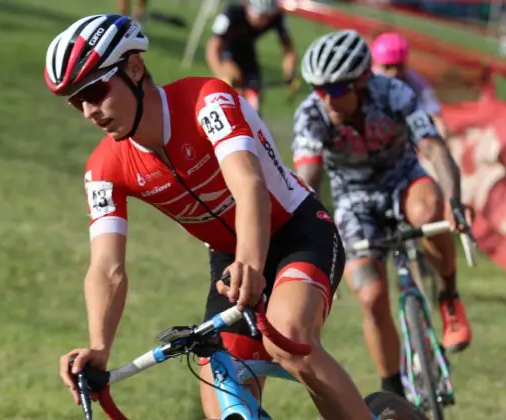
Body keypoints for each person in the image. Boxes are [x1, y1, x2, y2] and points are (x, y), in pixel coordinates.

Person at [46, 14, 372, 420]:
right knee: (222, 396)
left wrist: (252, 264)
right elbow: (107, 267)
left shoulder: (206, 99)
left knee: (288, 340)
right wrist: (98, 346)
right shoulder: (103, 167)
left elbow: (248, 184)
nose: (89, 111)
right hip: (228, 260)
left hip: (296, 231)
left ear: (134, 68)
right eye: (77, 100)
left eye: (95, 90)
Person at [292, 29, 473, 399]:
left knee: (429, 210)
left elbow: (435, 150)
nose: (326, 99)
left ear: (361, 80)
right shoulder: (312, 114)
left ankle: (449, 297)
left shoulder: (395, 94)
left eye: (336, 90)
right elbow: (307, 179)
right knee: (372, 297)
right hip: (353, 198)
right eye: (318, 89)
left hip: (402, 179)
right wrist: (307, 227)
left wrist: (454, 202)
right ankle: (392, 390)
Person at [206, 0, 297, 113]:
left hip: (247, 51)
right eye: (261, 16)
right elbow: (212, 49)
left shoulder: (277, 17)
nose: (264, 22)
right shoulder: (232, 13)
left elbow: (288, 50)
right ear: (249, 9)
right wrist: (221, 74)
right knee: (235, 78)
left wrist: (290, 73)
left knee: (255, 95)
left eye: (268, 17)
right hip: (226, 49)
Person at [370, 31, 448, 140]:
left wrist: (441, 141)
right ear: (377, 63)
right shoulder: (369, 80)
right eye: (388, 67)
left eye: (399, 67)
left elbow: (436, 116)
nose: (394, 73)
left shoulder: (415, 81)